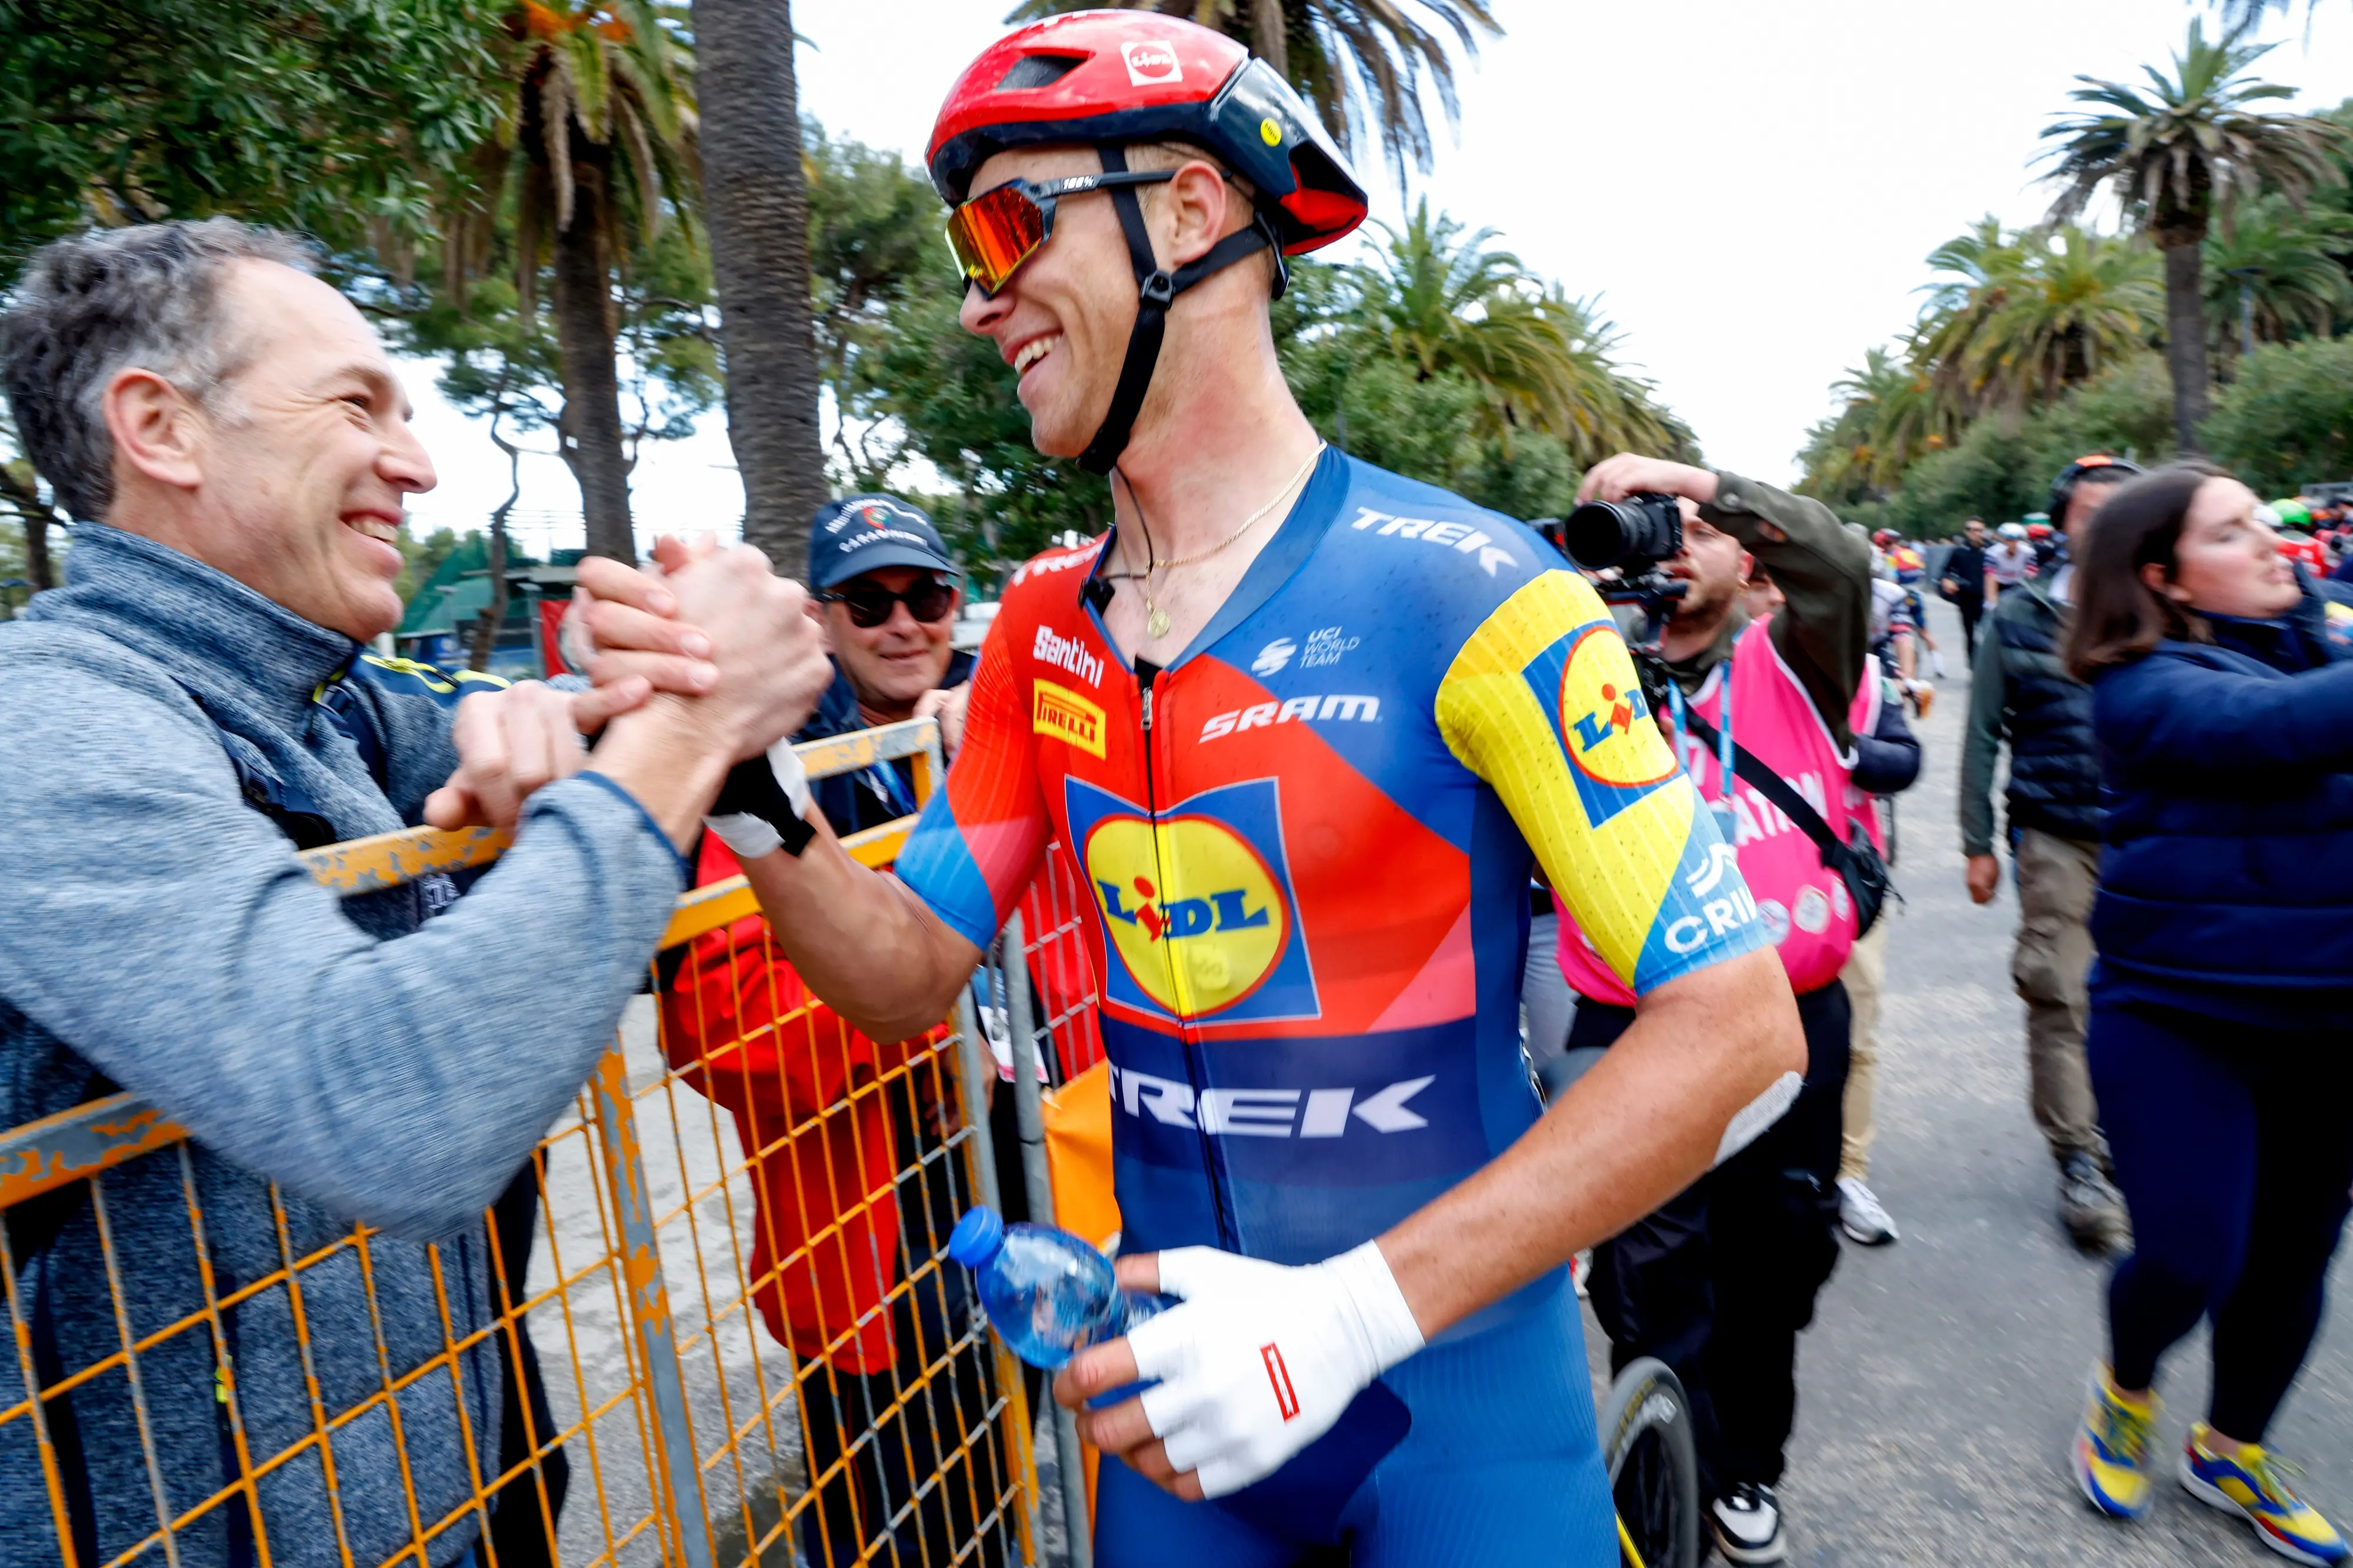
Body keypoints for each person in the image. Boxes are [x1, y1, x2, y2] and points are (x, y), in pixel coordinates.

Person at [568, 15, 1804, 1566]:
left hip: (1461, 1408)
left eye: (1008, 224)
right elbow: (898, 981)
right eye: (963, 249)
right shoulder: (1038, 632)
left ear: (1193, 212)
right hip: (1174, 1411)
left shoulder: (1473, 592)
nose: (977, 299)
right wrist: (742, 783)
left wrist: (1347, 1317)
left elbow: (1741, 1029)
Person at [0, 220, 831, 1568]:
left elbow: (557, 736)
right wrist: (690, 724)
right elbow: (391, 1104)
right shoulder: (54, 729)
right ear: (160, 425)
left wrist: (623, 690)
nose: (418, 461)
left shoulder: (318, 707)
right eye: (355, 404)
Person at [1550, 459, 1875, 1564]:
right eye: (1653, 529)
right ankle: (1662, 1502)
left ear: (1750, 557)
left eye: (1699, 530)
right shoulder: (1578, 674)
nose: (1675, 544)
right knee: (1649, 1286)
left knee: (1776, 1266)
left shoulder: (1800, 660)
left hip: (1789, 1018)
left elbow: (1837, 559)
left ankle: (1748, 1466)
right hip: (1631, 1019)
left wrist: (1690, 479)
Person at [2060, 463, 2353, 1568]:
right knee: (2188, 1255)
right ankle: (2126, 1388)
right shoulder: (2139, 684)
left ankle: (2233, 1449)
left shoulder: (2327, 642)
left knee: (2292, 1263)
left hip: (2329, 1018)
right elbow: (2273, 732)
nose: (2275, 541)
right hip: (2179, 1016)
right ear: (2163, 578)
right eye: (2236, 532)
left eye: (2266, 522)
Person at [1959, 455, 2137, 1252]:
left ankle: (2144, 1138)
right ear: (2062, 522)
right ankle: (2080, 1161)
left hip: (2153, 836)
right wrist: (1976, 842)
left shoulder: (2167, 609)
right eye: (2088, 512)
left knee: (2151, 997)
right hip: (2055, 834)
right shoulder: (2021, 617)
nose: (2102, 528)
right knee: (2060, 989)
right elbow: (1983, 731)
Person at [1939, 518, 1991, 661]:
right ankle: (1973, 668)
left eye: (1978, 530)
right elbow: (1945, 570)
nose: (1974, 533)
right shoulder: (1959, 551)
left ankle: (1987, 668)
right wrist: (1947, 580)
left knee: (1988, 635)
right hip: (1966, 599)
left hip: (1987, 600)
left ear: (1983, 531)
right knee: (1970, 635)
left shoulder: (1991, 550)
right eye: (1970, 529)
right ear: (1965, 532)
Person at [1986, 522, 2034, 603]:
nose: (2013, 543)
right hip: (2001, 587)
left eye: (2017, 540)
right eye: (2009, 539)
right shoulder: (1993, 552)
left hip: (2022, 587)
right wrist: (1991, 598)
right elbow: (1990, 575)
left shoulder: (2028, 551)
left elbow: (2032, 572)